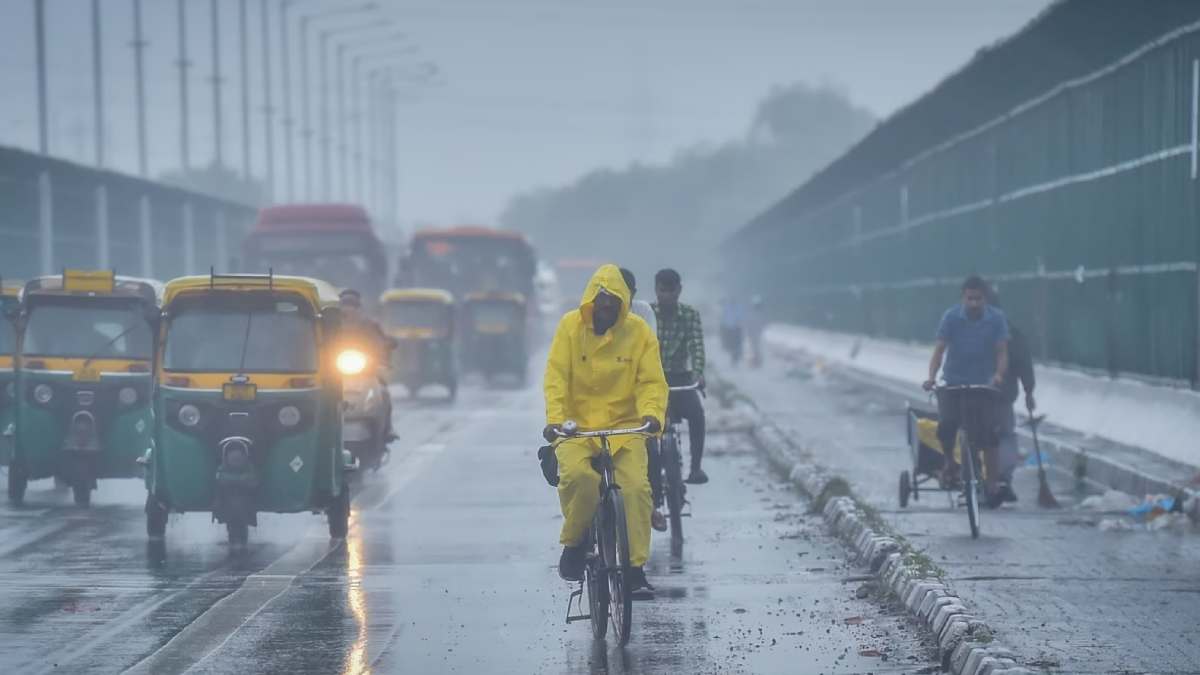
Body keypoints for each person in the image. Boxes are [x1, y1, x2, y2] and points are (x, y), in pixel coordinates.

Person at [543, 264, 667, 598]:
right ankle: (574, 543)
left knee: (637, 491)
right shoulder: (569, 327)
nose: (606, 311)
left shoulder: (639, 332)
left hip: (625, 429)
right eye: (601, 305)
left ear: (623, 306)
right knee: (580, 480)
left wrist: (652, 415)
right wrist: (555, 419)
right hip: (576, 428)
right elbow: (556, 377)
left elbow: (651, 382)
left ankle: (635, 570)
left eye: (613, 306)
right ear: (590, 303)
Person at [922, 276, 1009, 507]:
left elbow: (1001, 352)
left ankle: (992, 484)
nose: (973, 304)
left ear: (985, 299)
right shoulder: (951, 317)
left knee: (990, 434)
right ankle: (950, 462)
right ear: (963, 298)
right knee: (947, 426)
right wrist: (932, 377)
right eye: (969, 299)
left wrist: (999, 375)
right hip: (953, 382)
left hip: (983, 385)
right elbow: (939, 351)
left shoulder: (996, 319)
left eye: (978, 299)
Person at [652, 269, 709, 488]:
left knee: (697, 414)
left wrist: (698, 372)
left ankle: (695, 468)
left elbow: (696, 346)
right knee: (645, 424)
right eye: (662, 290)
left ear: (679, 290)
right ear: (656, 290)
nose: (666, 296)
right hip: (651, 380)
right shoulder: (646, 315)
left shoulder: (690, 315)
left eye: (671, 291)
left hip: (680, 379)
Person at [987, 287, 1036, 503]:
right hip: (1003, 395)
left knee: (976, 437)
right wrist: (1028, 391)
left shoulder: (968, 329)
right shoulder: (1012, 332)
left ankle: (982, 480)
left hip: (973, 393)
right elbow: (1024, 364)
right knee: (1005, 436)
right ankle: (1003, 479)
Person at [338, 289, 397, 442]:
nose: (348, 308)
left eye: (352, 305)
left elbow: (383, 341)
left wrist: (386, 347)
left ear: (359, 308)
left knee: (383, 391)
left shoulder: (370, 325)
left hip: (367, 370)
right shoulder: (329, 326)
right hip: (333, 371)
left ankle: (388, 427)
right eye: (345, 304)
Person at [719, 296, 745, 365]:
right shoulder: (727, 308)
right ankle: (734, 357)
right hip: (729, 329)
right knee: (731, 344)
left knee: (736, 344)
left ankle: (735, 357)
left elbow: (741, 318)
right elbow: (723, 318)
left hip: (736, 329)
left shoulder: (739, 308)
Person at [745, 295, 766, 368]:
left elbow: (762, 324)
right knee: (754, 348)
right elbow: (749, 323)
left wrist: (760, 330)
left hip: (756, 333)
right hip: (753, 333)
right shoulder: (754, 313)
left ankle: (756, 362)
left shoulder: (759, 314)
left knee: (755, 348)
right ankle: (754, 362)